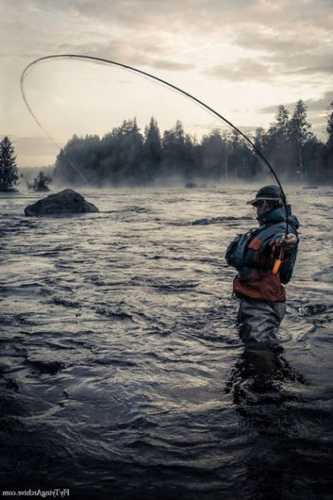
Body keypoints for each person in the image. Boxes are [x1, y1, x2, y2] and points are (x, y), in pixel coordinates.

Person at [225, 185, 299, 353]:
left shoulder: (280, 230)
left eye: (257, 205)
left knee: (260, 351)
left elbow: (280, 242)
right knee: (252, 347)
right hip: (254, 300)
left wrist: (286, 243)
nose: (256, 210)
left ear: (266, 204)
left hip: (263, 304)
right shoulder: (265, 229)